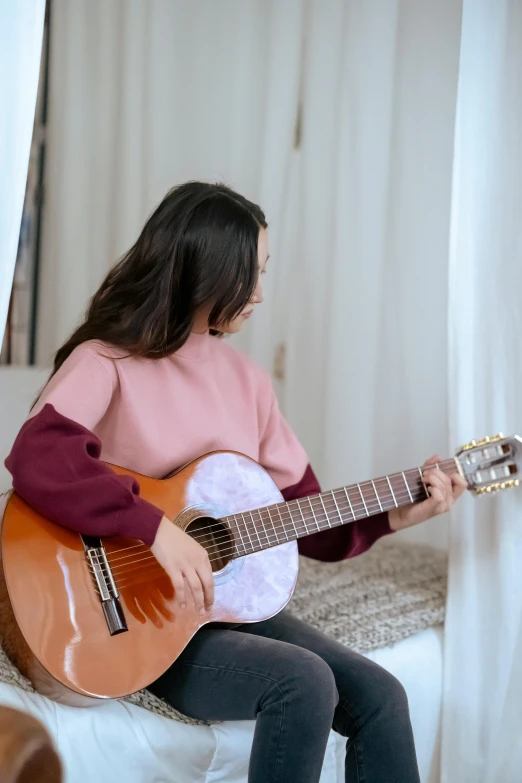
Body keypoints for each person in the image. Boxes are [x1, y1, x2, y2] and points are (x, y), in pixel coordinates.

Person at [6, 182, 466, 783]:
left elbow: (301, 514)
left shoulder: (248, 382)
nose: (258, 293)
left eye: (263, 272)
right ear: (205, 269)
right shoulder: (106, 360)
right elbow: (38, 454)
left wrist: (393, 515)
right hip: (133, 617)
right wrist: (156, 532)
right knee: (303, 683)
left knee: (381, 696)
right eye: (249, 273)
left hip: (223, 607)